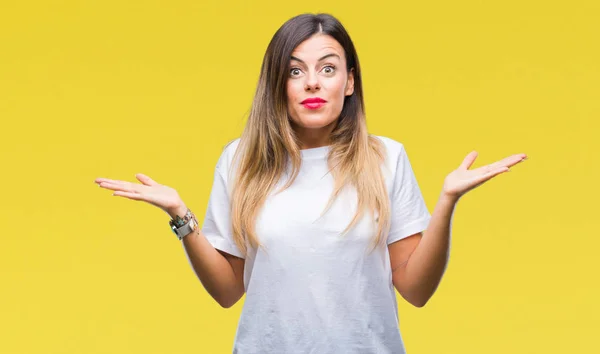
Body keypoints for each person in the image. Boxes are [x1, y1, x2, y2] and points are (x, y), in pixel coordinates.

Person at [95, 13, 527, 354]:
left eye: (328, 68)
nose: (313, 82)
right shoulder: (240, 160)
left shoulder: (386, 158)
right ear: (277, 84)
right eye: (295, 71)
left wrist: (447, 202)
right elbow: (228, 291)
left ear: (350, 81)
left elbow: (416, 290)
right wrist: (181, 216)